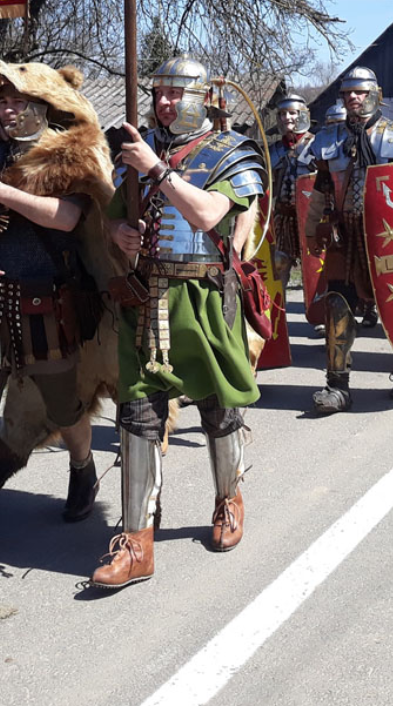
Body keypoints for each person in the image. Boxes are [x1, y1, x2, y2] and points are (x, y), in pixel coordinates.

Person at [0, 61, 118, 569]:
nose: (8, 110)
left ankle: (82, 468)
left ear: (42, 105)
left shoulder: (68, 154)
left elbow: (68, 218)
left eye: (19, 101)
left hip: (47, 307)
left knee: (65, 409)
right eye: (2, 103)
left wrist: (3, 193)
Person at [91, 56, 264, 589]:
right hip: (146, 298)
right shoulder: (138, 149)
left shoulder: (231, 153)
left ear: (201, 98)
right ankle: (137, 541)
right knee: (137, 414)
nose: (164, 102)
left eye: (175, 93)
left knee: (218, 408)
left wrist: (157, 170)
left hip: (204, 296)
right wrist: (120, 232)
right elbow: (113, 216)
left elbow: (208, 214)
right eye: (158, 93)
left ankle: (229, 499)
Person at [306, 66, 393, 414]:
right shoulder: (329, 140)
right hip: (344, 236)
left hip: (390, 237)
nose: (353, 98)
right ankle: (337, 386)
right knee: (337, 307)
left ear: (375, 95)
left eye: (359, 92)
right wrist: (312, 229)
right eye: (347, 93)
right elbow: (321, 190)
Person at [268, 92, 316, 308]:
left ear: (303, 115)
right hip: (283, 217)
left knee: (314, 264)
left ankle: (317, 312)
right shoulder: (274, 150)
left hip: (310, 217)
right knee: (280, 263)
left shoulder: (317, 145)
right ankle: (278, 312)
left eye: (292, 113)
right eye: (282, 114)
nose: (287, 118)